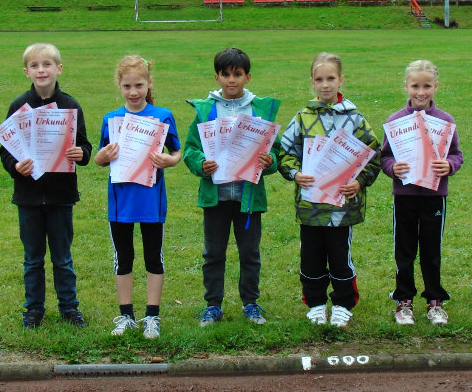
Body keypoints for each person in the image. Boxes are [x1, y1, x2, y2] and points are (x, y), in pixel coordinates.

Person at [278, 52, 380, 328]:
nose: (325, 84)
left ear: (341, 80)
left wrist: (360, 182)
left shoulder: (355, 119)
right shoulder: (302, 118)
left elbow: (373, 154)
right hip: (311, 206)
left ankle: (343, 303)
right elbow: (285, 153)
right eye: (320, 79)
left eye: (331, 78)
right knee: (310, 256)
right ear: (312, 81)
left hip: (341, 207)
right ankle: (315, 303)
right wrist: (295, 173)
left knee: (339, 256)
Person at [183, 47, 281, 327]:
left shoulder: (260, 109)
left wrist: (270, 161)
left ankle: (250, 303)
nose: (231, 80)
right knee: (213, 253)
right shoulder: (206, 111)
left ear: (247, 77)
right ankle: (213, 305)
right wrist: (201, 163)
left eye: (237, 74)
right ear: (217, 77)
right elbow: (191, 148)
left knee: (250, 253)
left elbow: (275, 150)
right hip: (217, 197)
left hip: (249, 198)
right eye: (225, 74)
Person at [0, 43, 92, 329]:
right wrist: (15, 166)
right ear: (26, 71)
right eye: (35, 66)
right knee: (32, 259)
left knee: (63, 258)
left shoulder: (71, 106)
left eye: (47, 64)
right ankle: (33, 310)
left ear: (58, 68)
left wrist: (81, 153)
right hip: (28, 197)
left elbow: (85, 146)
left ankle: (69, 308)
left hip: (61, 196)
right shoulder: (19, 106)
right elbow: (6, 149)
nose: (41, 70)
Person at [94, 55, 181, 339]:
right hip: (121, 203)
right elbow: (100, 157)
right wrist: (101, 157)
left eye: (139, 85)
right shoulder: (111, 120)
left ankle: (152, 316)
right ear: (119, 86)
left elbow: (176, 152)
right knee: (124, 258)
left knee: (154, 258)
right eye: (127, 86)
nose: (133, 92)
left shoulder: (162, 116)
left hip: (151, 202)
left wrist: (169, 160)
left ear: (149, 83)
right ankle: (126, 315)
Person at [380, 60, 463, 326]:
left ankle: (435, 301)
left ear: (436, 87)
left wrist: (449, 165)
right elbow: (385, 157)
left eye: (427, 86)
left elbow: (456, 155)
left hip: (434, 197)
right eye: (415, 86)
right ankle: (404, 301)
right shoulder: (395, 121)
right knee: (404, 250)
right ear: (406, 86)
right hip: (404, 196)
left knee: (431, 250)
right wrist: (394, 168)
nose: (421, 92)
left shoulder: (445, 121)